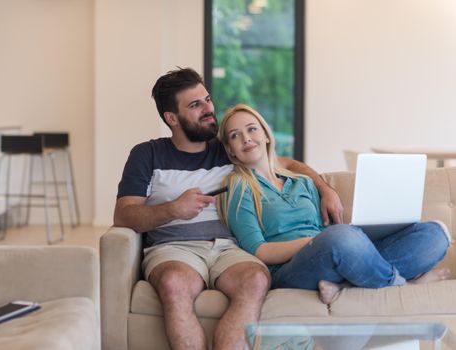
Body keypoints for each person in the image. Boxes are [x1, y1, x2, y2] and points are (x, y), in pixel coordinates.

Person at [114, 68, 345, 349]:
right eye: (195, 104)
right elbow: (124, 214)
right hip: (174, 247)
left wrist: (325, 188)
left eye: (207, 99)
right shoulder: (147, 154)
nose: (209, 109)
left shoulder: (228, 147)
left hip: (230, 247)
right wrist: (174, 209)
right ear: (171, 118)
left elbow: (285, 163)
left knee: (256, 280)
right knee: (174, 284)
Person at [217, 103, 451, 305]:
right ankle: (402, 284)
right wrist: (315, 241)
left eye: (251, 129)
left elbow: (324, 229)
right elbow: (259, 250)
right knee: (341, 238)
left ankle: (346, 285)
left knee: (435, 233)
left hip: (329, 254)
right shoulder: (238, 186)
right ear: (232, 151)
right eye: (235, 135)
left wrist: (357, 234)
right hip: (291, 270)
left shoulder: (302, 181)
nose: (246, 138)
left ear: (266, 135)